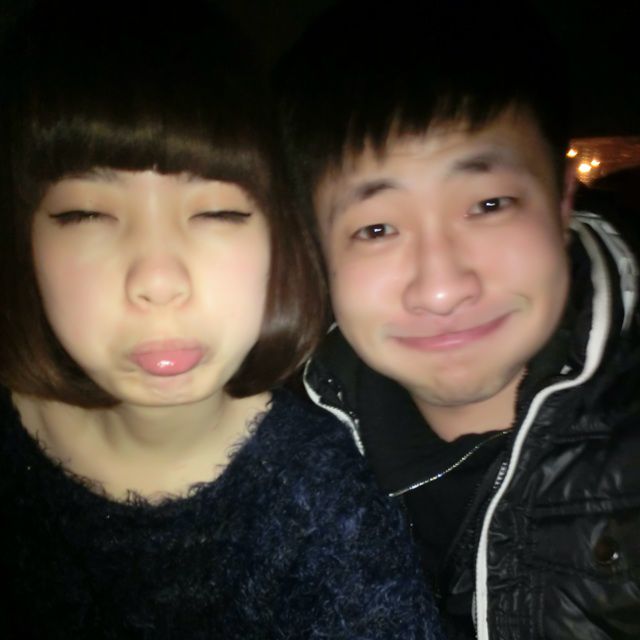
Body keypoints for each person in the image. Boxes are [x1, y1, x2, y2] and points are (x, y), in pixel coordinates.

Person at [0, 1, 444, 637]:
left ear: (280, 239)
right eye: (86, 214)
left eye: (217, 212)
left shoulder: (320, 509)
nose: (158, 280)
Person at [276, 0, 640, 638]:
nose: (442, 289)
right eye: (376, 228)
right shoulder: (270, 455)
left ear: (562, 199)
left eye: (488, 204)